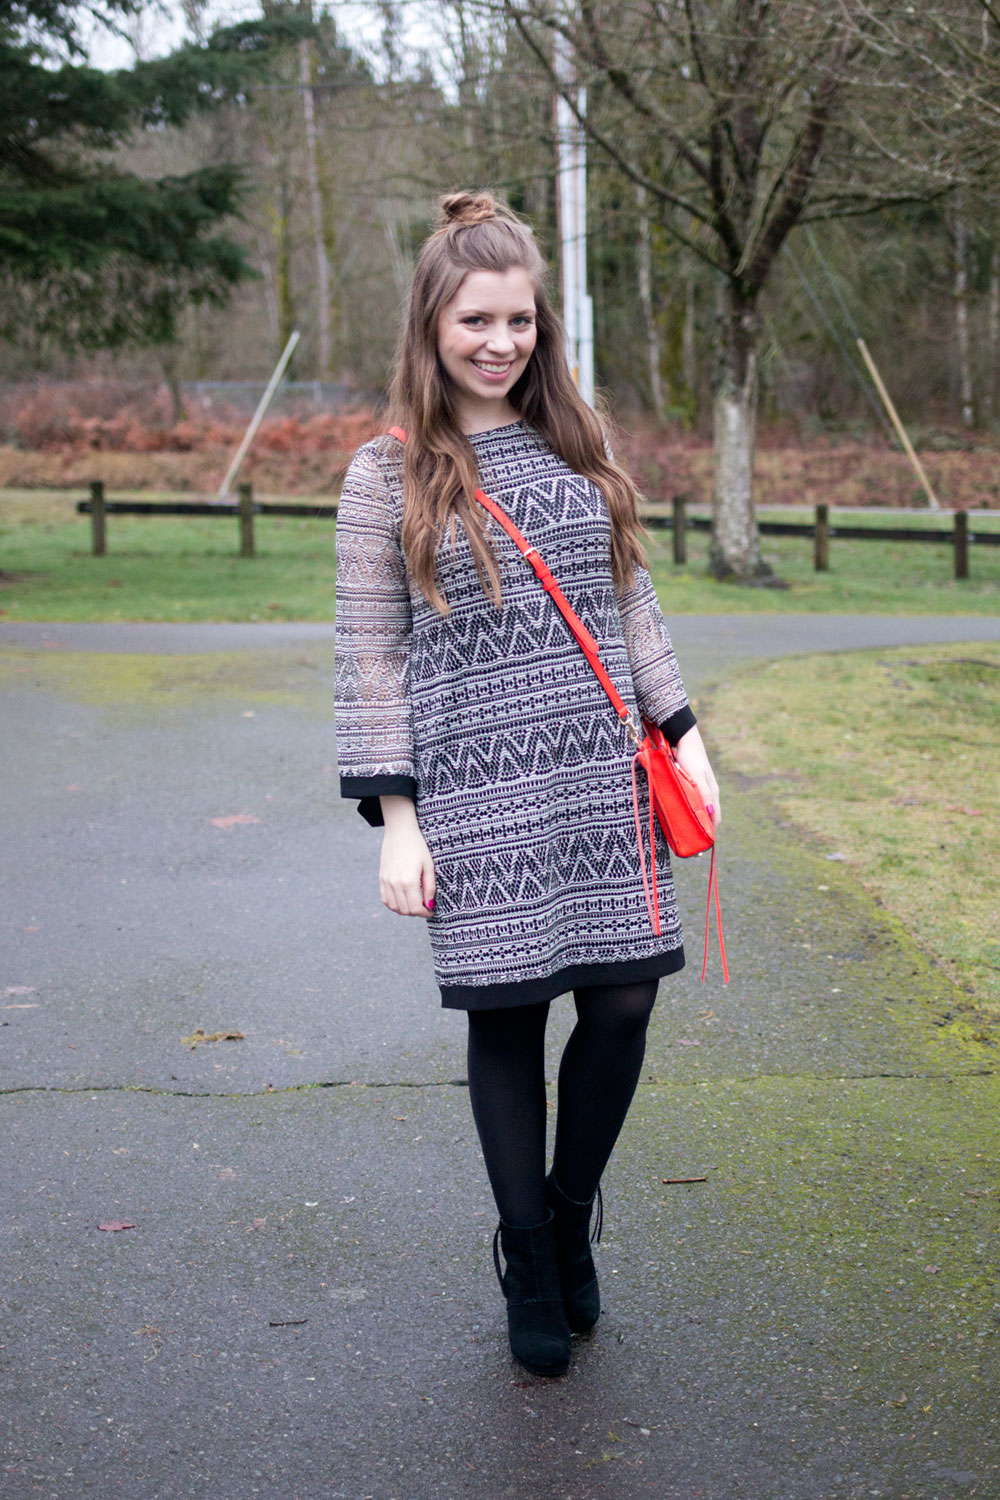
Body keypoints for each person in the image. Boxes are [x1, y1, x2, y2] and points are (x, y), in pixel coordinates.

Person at [334, 190, 720, 1378]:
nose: (501, 342)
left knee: (621, 1004)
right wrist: (396, 821)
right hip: (475, 790)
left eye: (520, 320)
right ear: (430, 326)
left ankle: (565, 1208)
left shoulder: (577, 439)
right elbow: (370, 652)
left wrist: (682, 724)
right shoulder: (383, 473)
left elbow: (628, 595)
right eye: (476, 322)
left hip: (603, 774)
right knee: (507, 1015)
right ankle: (529, 1257)